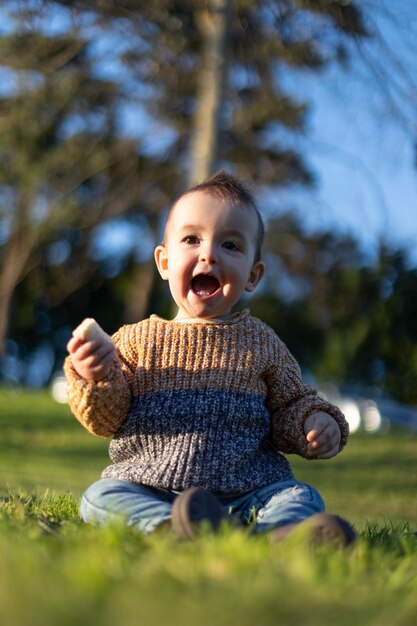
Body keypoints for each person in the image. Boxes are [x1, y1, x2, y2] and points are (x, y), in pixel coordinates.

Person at [64, 170, 355, 545]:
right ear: (164, 262)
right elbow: (108, 418)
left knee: (301, 495)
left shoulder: (261, 342)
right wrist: (96, 376)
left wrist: (313, 422)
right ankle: (171, 526)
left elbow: (291, 404)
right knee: (100, 497)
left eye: (230, 246)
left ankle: (279, 535)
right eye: (191, 239)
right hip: (151, 486)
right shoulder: (135, 341)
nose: (208, 254)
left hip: (249, 491)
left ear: (253, 275)